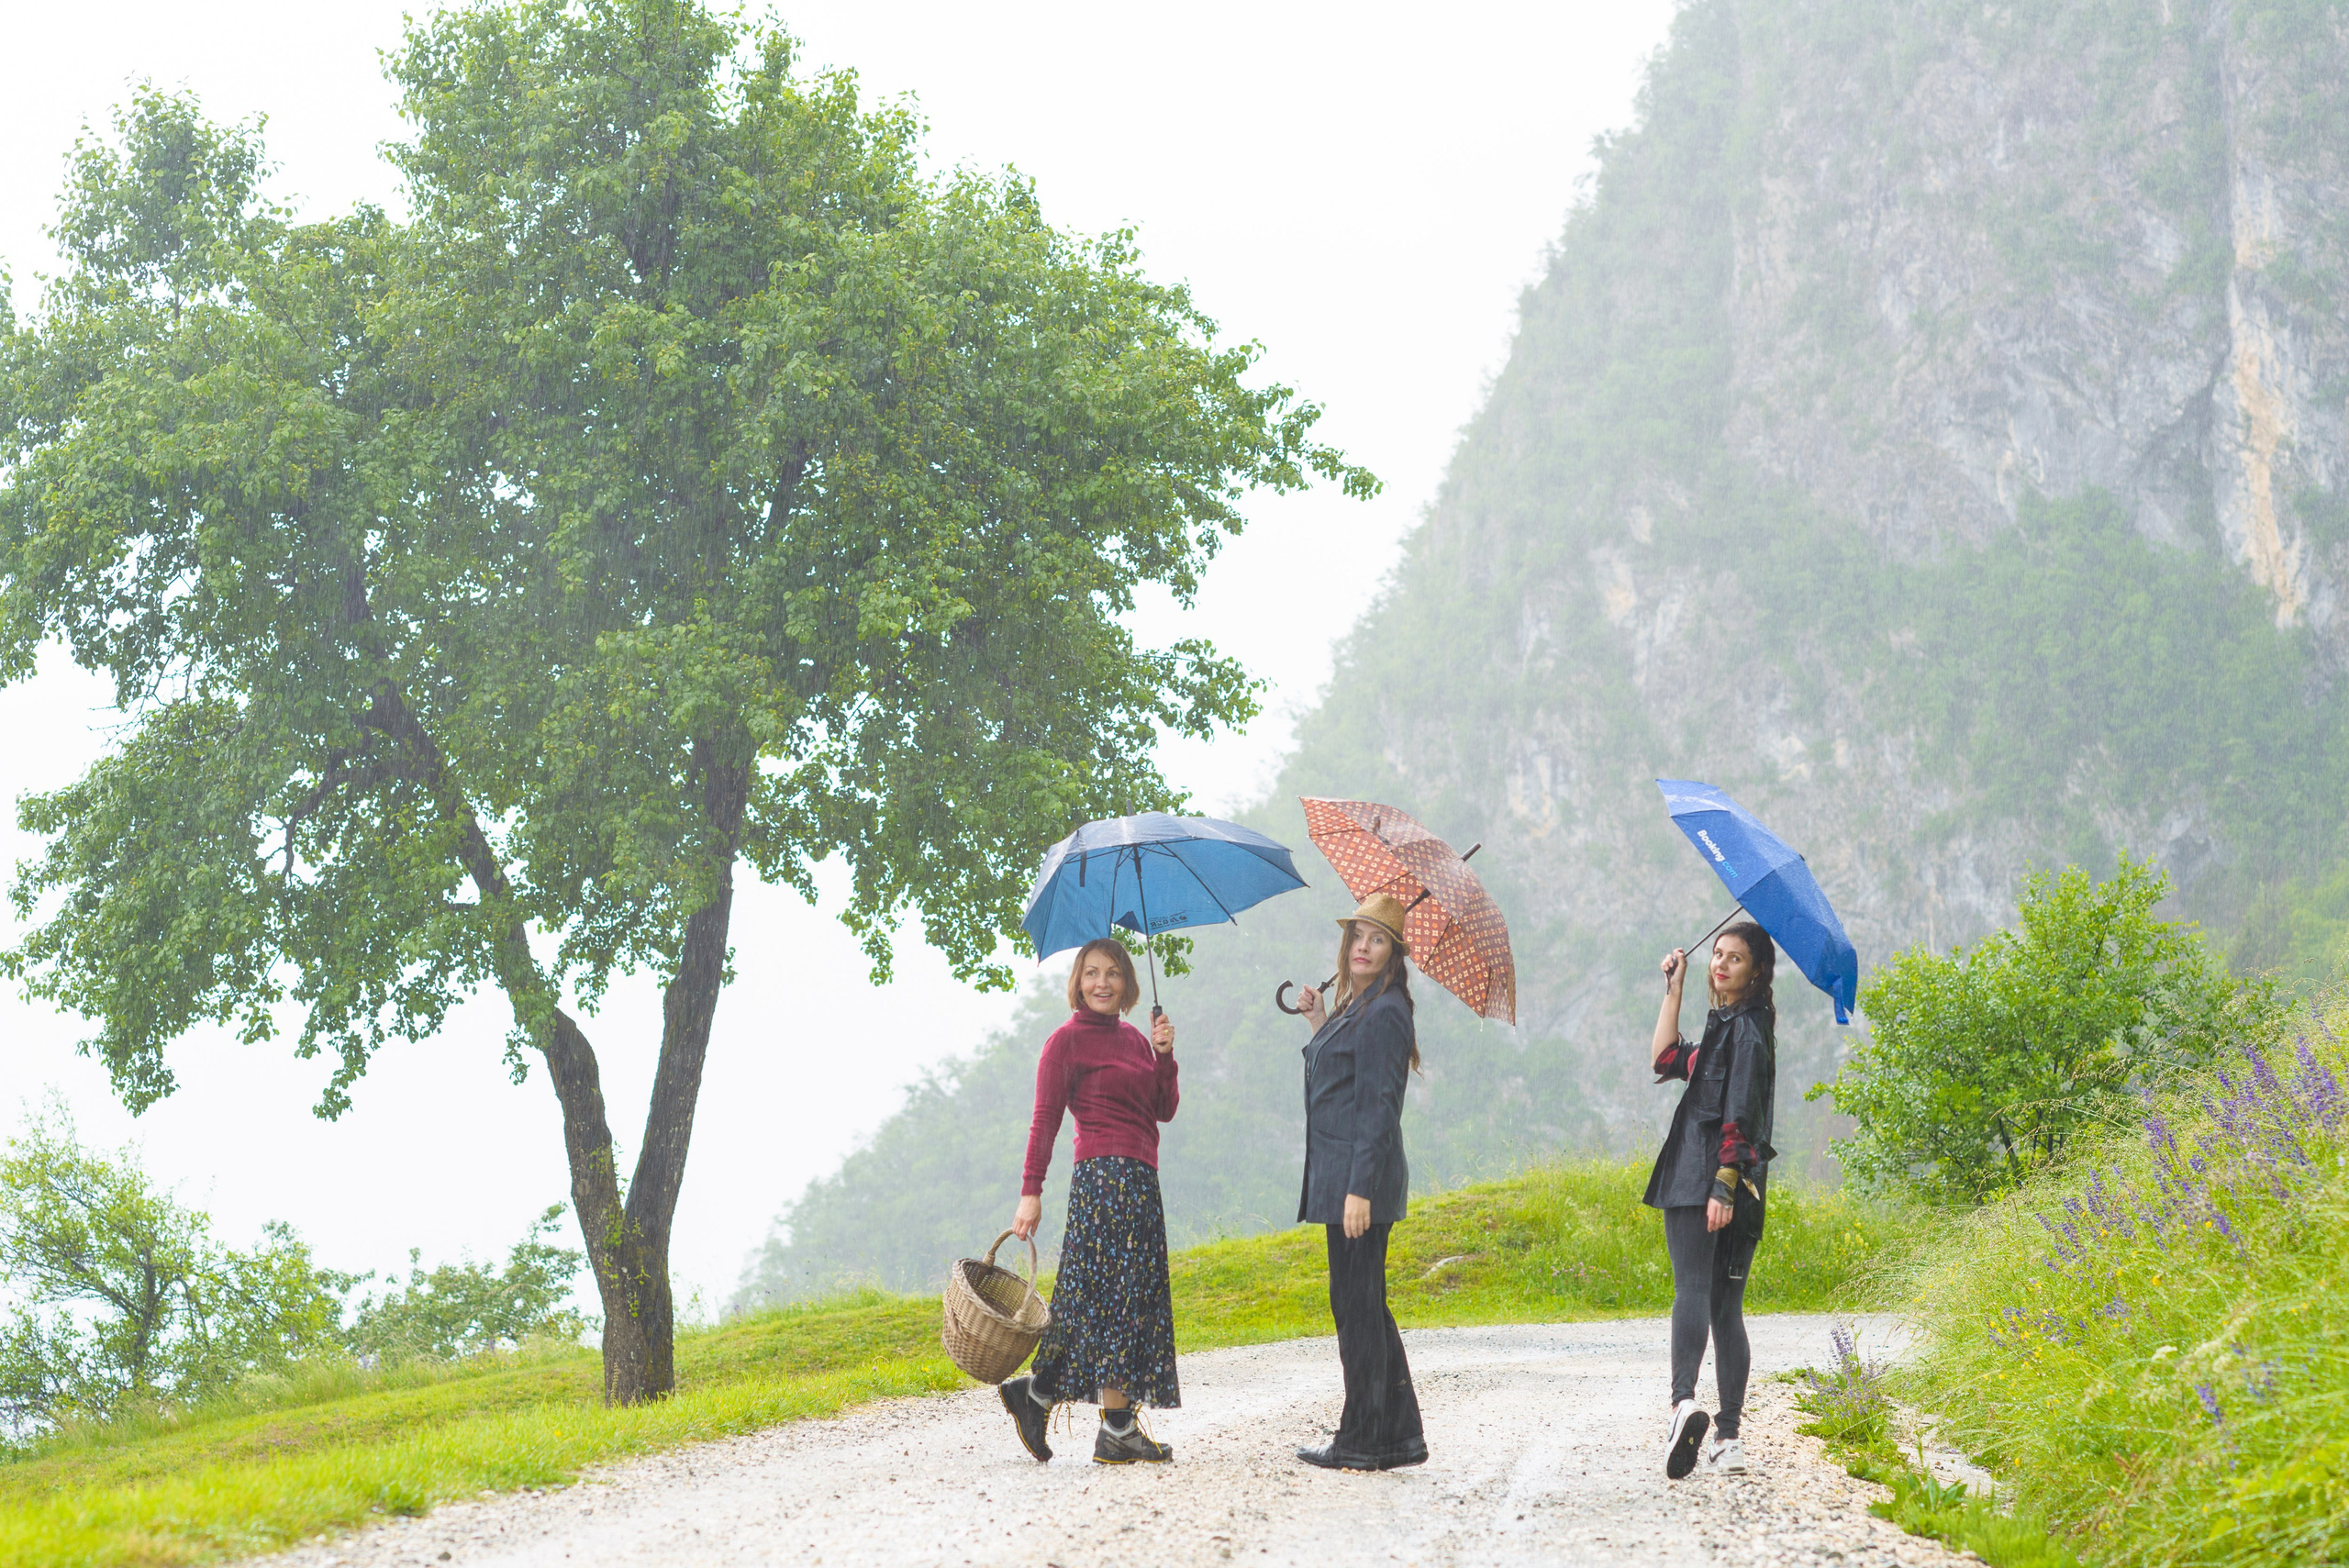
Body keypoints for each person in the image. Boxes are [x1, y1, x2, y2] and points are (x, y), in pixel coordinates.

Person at [997, 937, 1181, 1464]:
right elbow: (1044, 1123)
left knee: (1128, 1300)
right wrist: (1030, 1192)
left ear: (1128, 984)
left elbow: (1162, 1109)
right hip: (1102, 1180)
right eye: (1092, 973)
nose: (1103, 983)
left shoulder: (1135, 1040)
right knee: (1102, 1298)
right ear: (1077, 982)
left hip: (1142, 1180)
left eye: (1114, 974)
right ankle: (1068, 1406)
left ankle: (1100, 1420)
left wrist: (1165, 1058)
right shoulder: (1065, 1042)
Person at [1288, 893, 1428, 1472]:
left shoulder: (1387, 1011)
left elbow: (1378, 1106)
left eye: (1375, 939)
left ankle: (1363, 1438)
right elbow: (1340, 1077)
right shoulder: (1360, 1006)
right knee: (1363, 1304)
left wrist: (1360, 1190)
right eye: (1356, 937)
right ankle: (1396, 1436)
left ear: (1393, 953)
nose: (1362, 947)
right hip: (1343, 1177)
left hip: (1357, 1184)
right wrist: (1320, 1019)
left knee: (1357, 1308)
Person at [1644, 921, 1779, 1480]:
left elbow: (1741, 1111)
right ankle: (1727, 1438)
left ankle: (1682, 1406)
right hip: (1734, 1186)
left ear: (1756, 972)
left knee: (1693, 1291)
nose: (1721, 964)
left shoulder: (1744, 1030)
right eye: (1717, 955)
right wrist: (1672, 989)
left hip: (1706, 1180)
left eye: (1736, 959)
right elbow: (1666, 1057)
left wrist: (1722, 1182)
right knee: (1725, 1306)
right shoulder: (1731, 1029)